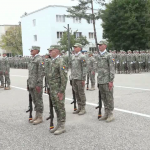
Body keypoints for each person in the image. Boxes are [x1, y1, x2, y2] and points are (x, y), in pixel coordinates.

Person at [47, 45, 68, 135]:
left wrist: (61, 91)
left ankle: (62, 126)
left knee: (60, 107)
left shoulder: (61, 61)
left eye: (51, 51)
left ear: (57, 51)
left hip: (58, 89)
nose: (49, 52)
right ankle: (58, 124)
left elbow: (64, 78)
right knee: (56, 107)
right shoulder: (53, 61)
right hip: (52, 88)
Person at [95, 41, 115, 122]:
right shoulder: (98, 55)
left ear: (105, 46)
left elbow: (112, 69)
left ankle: (110, 114)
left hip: (107, 80)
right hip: (100, 80)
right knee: (103, 97)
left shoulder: (109, 55)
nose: (99, 46)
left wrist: (111, 81)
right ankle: (106, 113)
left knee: (109, 97)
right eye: (98, 45)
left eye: (101, 45)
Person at [27, 46, 44, 125]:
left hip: (37, 84)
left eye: (32, 50)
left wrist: (38, 84)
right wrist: (28, 83)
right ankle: (36, 116)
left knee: (38, 100)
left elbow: (41, 73)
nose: (31, 51)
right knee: (34, 100)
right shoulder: (32, 59)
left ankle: (40, 117)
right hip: (31, 83)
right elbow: (30, 73)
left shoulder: (39, 59)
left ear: (37, 51)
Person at [70, 43, 87, 115]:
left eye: (76, 47)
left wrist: (83, 78)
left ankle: (83, 108)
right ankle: (79, 107)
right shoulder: (73, 56)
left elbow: (84, 67)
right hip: (74, 77)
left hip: (80, 78)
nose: (74, 48)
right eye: (74, 47)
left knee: (81, 93)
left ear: (80, 48)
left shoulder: (82, 56)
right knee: (76, 93)